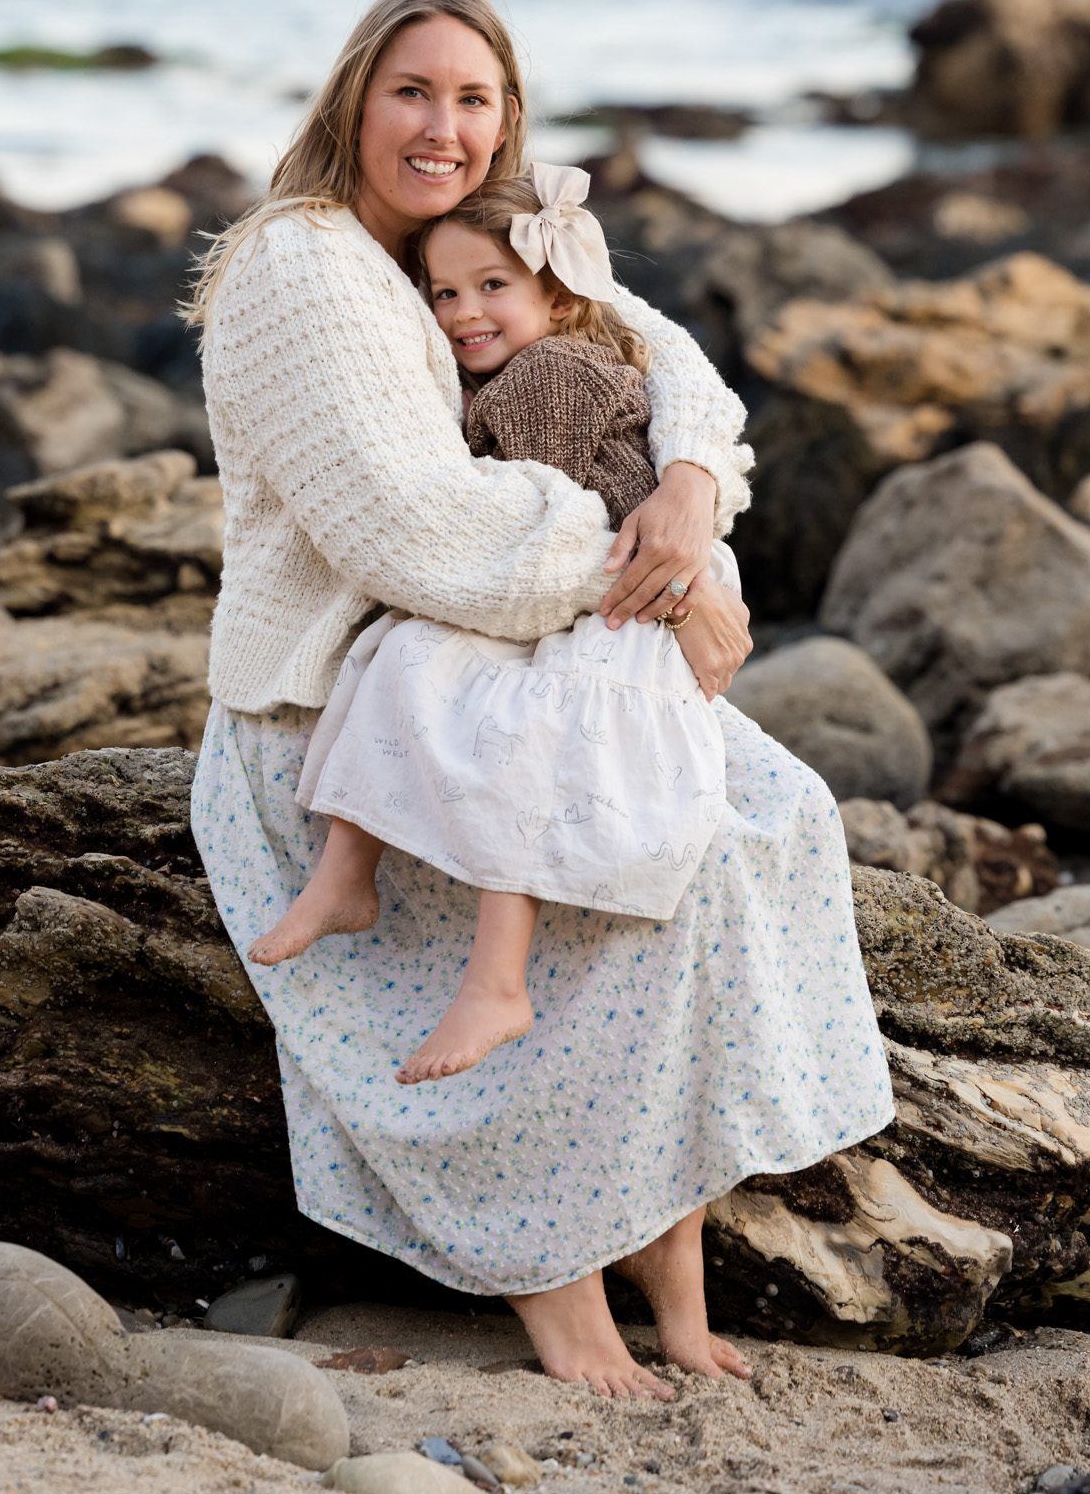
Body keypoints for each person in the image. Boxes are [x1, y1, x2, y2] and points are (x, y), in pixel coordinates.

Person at [185, 0, 896, 1401]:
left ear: (507, 120)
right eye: (411, 92)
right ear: (352, 101)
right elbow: (416, 529)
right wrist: (672, 582)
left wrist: (690, 493)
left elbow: (669, 362)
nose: (441, 126)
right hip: (348, 721)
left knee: (758, 821)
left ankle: (660, 1248)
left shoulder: (489, 244)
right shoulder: (306, 266)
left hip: (522, 668)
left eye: (472, 99)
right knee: (599, 904)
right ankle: (556, 1285)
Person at [249, 163, 741, 1091]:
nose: (463, 311)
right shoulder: (517, 361)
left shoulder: (548, 371)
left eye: (491, 288)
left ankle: (497, 978)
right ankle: (345, 875)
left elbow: (536, 507)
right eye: (443, 292)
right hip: (583, 572)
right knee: (394, 653)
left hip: (625, 586)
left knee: (523, 726)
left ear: (556, 299)